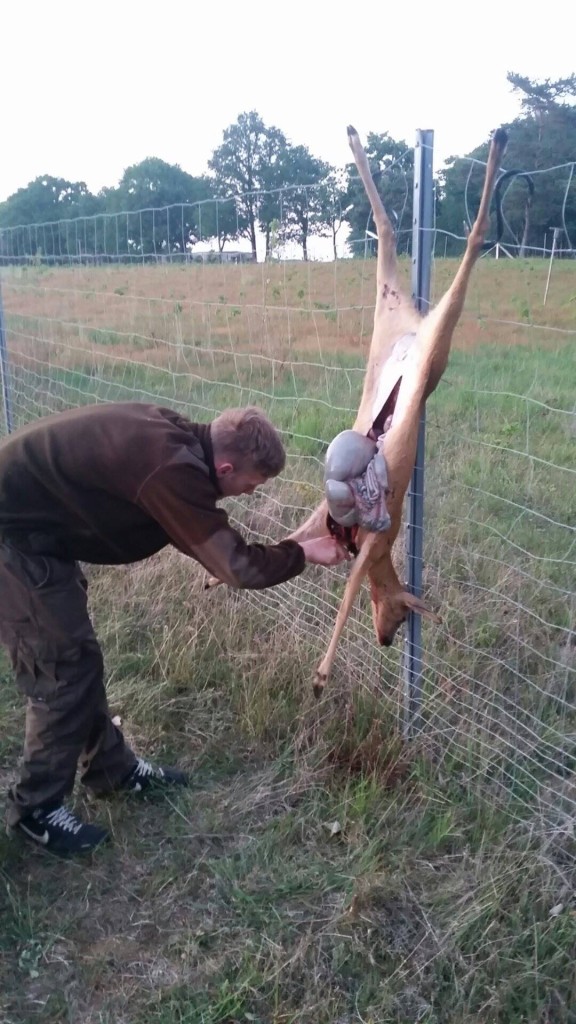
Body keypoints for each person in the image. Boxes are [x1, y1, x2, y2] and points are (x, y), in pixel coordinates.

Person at [0, 402, 347, 856]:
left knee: (78, 657)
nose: (247, 494)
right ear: (225, 466)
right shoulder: (171, 470)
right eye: (250, 484)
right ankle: (36, 811)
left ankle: (111, 769)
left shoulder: (180, 441)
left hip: (37, 536)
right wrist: (304, 553)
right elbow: (236, 566)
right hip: (11, 541)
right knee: (61, 667)